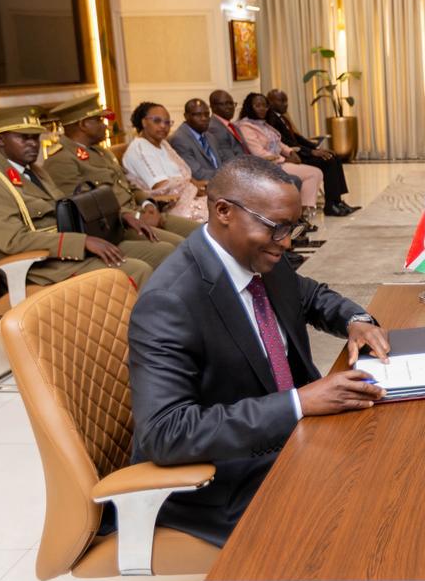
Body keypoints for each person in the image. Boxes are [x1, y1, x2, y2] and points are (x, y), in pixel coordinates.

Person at [128, 155, 389, 546]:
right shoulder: (170, 301)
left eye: (292, 227)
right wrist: (298, 403)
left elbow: (310, 296)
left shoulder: (257, 255)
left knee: (392, 456)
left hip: (288, 441)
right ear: (224, 211)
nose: (287, 242)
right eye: (276, 227)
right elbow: (165, 432)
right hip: (223, 479)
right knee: (371, 509)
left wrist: (355, 320)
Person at [0, 107, 165, 289]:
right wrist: (81, 242)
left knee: (161, 252)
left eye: (35, 138)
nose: (33, 144)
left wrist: (121, 215)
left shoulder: (33, 170)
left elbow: (70, 207)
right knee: (137, 270)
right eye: (24, 138)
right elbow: (13, 241)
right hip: (43, 265)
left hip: (69, 249)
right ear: (0, 140)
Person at [43, 94, 198, 244]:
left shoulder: (101, 152)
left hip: (139, 212)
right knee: (178, 245)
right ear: (83, 125)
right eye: (99, 120)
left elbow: (128, 185)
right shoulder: (61, 160)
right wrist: (134, 216)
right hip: (117, 225)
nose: (105, 125)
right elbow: (85, 207)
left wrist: (148, 204)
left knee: (200, 232)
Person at [266, 89, 359, 216]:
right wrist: (311, 152)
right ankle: (330, 205)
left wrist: (316, 149)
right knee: (329, 161)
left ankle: (338, 201)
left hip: (301, 152)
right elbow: (286, 143)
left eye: (286, 100)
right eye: (281, 101)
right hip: (293, 156)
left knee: (334, 156)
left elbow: (297, 138)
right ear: (270, 102)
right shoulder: (270, 119)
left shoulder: (282, 117)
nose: (285, 104)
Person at [236, 92, 324, 217]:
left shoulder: (263, 124)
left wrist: (290, 152)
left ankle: (302, 213)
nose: (262, 109)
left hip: (279, 161)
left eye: (265, 105)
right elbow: (258, 153)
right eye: (258, 105)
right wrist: (285, 160)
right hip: (268, 165)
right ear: (249, 107)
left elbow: (278, 142)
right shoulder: (245, 127)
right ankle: (300, 214)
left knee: (316, 172)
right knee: (313, 173)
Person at [122, 103, 209, 223]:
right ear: (144, 122)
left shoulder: (163, 144)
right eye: (157, 121)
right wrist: (194, 189)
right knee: (220, 213)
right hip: (168, 207)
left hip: (186, 198)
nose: (163, 126)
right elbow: (162, 188)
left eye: (167, 122)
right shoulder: (139, 149)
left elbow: (183, 173)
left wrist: (198, 185)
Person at [170, 98, 243, 182]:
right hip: (206, 185)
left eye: (207, 114)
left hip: (223, 181)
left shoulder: (209, 136)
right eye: (198, 115)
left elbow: (223, 160)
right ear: (186, 116)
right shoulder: (180, 139)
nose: (204, 118)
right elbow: (197, 174)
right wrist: (228, 175)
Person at [207, 90, 249, 156]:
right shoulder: (214, 128)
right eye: (225, 104)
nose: (230, 107)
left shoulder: (232, 125)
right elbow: (229, 158)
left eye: (231, 103)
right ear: (213, 107)